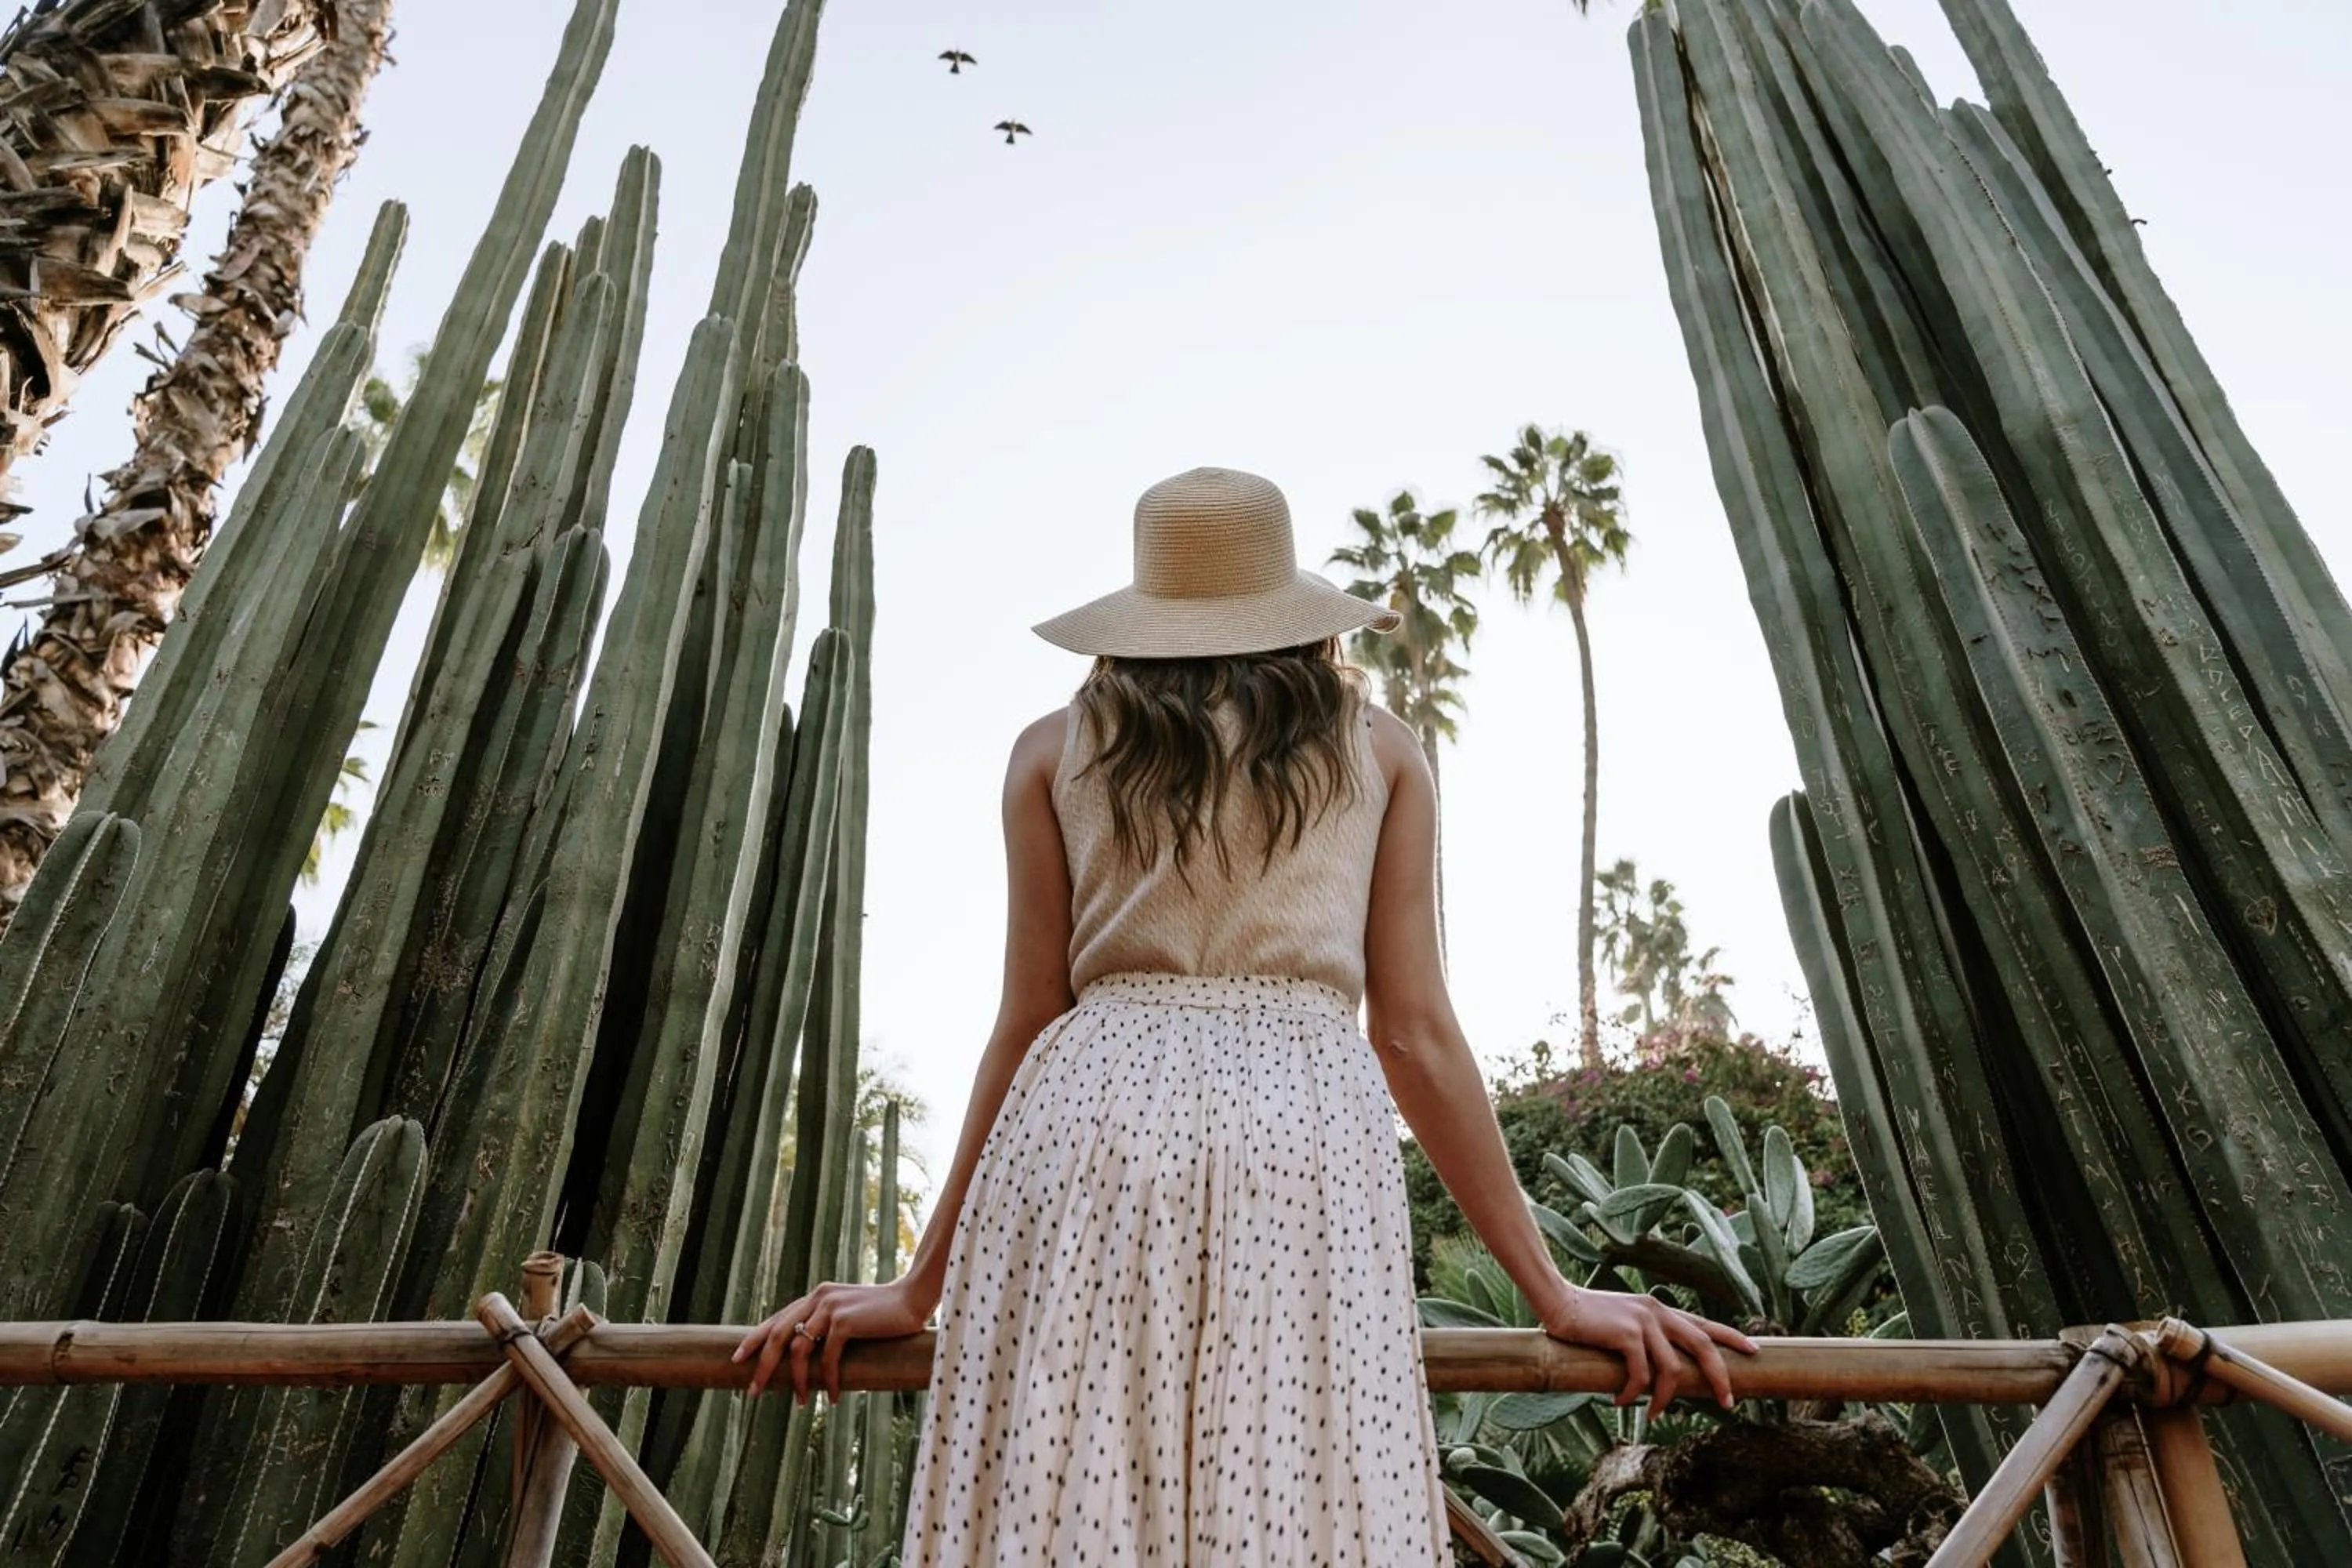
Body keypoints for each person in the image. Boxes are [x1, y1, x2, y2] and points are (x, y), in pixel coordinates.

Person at [733, 466, 1756, 1563]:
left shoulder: (1050, 750)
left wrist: (919, 1283)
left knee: (1079, 1477)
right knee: (1296, 1481)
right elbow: (1412, 1029)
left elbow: (1027, 1015)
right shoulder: (1379, 750)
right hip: (1302, 1135)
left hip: (1090, 1128)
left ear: (1141, 611)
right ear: (1294, 611)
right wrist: (1550, 1291)